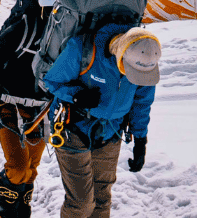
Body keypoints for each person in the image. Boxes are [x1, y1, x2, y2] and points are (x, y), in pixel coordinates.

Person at [40, 23, 161, 218]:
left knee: (102, 200)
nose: (135, 77)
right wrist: (77, 96)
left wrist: (140, 140)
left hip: (111, 133)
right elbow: (52, 81)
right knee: (80, 204)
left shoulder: (144, 62)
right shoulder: (82, 49)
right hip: (73, 129)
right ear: (120, 54)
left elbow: (142, 103)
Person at [0, 0, 59, 217]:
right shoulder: (24, 27)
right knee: (19, 168)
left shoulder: (65, 34)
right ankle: (4, 213)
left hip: (41, 110)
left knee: (30, 170)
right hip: (9, 106)